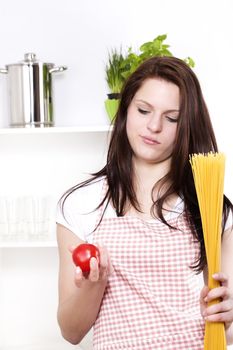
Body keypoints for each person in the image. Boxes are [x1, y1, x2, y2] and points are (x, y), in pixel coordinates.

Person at [56, 56, 233, 349]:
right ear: (125, 110)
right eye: (143, 110)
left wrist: (226, 318)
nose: (154, 126)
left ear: (187, 126)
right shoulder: (80, 205)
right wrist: (94, 283)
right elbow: (71, 332)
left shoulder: (211, 207)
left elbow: (227, 330)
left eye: (171, 118)